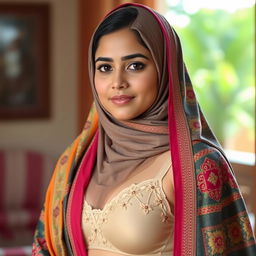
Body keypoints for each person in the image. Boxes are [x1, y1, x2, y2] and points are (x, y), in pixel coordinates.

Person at [33, 3, 256, 256]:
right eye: (105, 68)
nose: (117, 82)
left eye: (135, 66)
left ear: (165, 68)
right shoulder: (76, 159)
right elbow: (45, 246)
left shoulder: (199, 164)